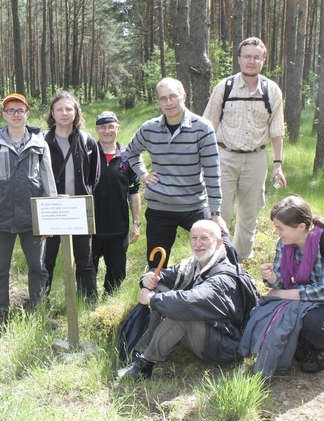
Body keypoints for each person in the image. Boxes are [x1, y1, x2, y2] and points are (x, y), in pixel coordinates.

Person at [116, 220, 245, 379]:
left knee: (182, 313)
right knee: (160, 288)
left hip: (224, 345)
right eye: (194, 238)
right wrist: (149, 278)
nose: (198, 244)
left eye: (204, 238)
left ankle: (145, 365)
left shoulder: (223, 277)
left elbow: (190, 302)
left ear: (218, 242)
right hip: (207, 332)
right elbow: (167, 274)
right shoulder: (195, 264)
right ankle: (142, 350)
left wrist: (153, 299)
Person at [252, 195, 324, 374]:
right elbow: (283, 282)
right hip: (307, 298)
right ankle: (302, 343)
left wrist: (280, 294)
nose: (276, 232)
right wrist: (272, 278)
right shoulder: (284, 243)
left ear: (302, 227)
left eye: (280, 228)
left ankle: (323, 350)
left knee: (312, 321)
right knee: (266, 306)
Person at [124, 77, 226, 269]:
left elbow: (213, 172)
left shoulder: (202, 128)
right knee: (156, 263)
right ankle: (155, 296)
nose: (168, 103)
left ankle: (210, 291)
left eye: (173, 96)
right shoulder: (149, 129)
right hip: (160, 207)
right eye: (163, 98)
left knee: (215, 255)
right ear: (158, 101)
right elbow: (130, 152)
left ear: (183, 96)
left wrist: (216, 212)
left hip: (194, 205)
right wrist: (143, 174)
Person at [203, 36, 287, 260]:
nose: (252, 61)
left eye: (257, 57)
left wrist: (278, 165)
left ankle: (239, 261)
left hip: (256, 159)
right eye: (247, 56)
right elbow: (207, 126)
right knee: (221, 212)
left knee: (249, 214)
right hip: (224, 157)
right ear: (239, 59)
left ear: (264, 60)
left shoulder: (272, 91)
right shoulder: (225, 87)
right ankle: (217, 260)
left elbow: (277, 131)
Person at [0, 93, 57, 317]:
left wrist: (48, 223)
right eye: (10, 110)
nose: (15, 114)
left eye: (20, 110)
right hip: (1, 219)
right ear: (4, 114)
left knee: (37, 267)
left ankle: (38, 308)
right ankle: (0, 310)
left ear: (27, 114)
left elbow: (48, 183)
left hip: (32, 219)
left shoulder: (39, 144)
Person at [43, 91, 101, 300]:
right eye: (60, 109)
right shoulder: (42, 141)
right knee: (46, 258)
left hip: (78, 209)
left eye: (69, 109)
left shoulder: (87, 141)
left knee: (84, 258)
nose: (64, 113)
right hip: (50, 209)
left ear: (76, 112)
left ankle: (88, 300)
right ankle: (41, 301)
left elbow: (94, 177)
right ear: (52, 112)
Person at [92, 111, 141, 295]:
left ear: (118, 128)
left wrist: (136, 223)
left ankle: (109, 299)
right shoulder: (89, 155)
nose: (107, 131)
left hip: (118, 227)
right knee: (87, 269)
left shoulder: (128, 157)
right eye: (102, 127)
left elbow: (134, 192)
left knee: (117, 271)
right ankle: (88, 302)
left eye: (111, 126)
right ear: (97, 129)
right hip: (91, 228)